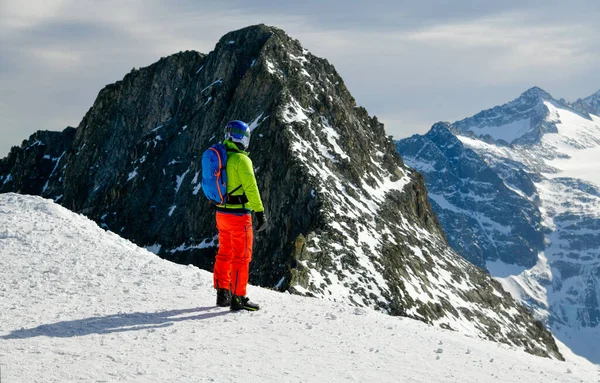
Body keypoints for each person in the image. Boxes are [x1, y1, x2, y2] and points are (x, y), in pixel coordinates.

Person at [213, 120, 267, 311]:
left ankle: (222, 293)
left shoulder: (222, 156)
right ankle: (238, 297)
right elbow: (251, 188)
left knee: (224, 252)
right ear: (243, 138)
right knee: (241, 257)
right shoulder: (242, 160)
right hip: (239, 216)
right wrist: (259, 212)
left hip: (221, 213)